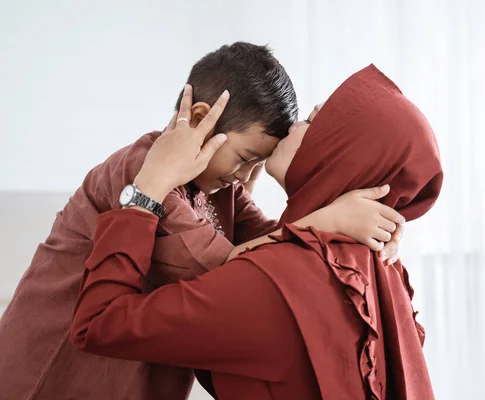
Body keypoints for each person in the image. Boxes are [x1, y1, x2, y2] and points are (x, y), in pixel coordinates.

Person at [0, 44, 403, 400]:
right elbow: (226, 270)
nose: (246, 177)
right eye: (245, 158)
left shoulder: (218, 188)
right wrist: (327, 219)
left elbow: (270, 244)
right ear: (198, 118)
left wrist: (347, 227)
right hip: (47, 372)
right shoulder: (144, 171)